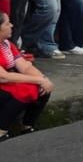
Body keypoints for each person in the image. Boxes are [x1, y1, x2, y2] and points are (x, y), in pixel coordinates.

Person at [0, 11, 52, 139]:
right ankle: (1, 130)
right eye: (7, 23)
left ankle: (27, 126)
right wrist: (38, 80)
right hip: (3, 81)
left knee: (43, 88)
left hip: (6, 81)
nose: (11, 25)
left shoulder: (7, 45)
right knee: (23, 92)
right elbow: (3, 77)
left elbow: (25, 66)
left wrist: (43, 79)